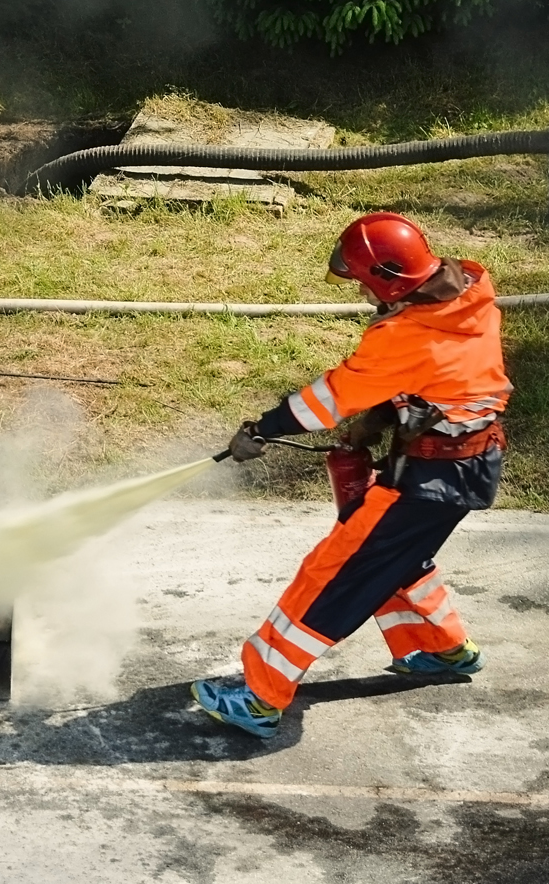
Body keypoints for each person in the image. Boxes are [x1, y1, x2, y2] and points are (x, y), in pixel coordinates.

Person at [193, 212, 512, 739]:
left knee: (333, 575)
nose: (363, 294)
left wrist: (263, 430)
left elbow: (329, 398)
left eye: (364, 283)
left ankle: (259, 697)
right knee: (395, 559)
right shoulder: (466, 300)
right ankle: (441, 649)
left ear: (387, 279)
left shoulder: (404, 334)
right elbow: (445, 375)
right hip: (465, 466)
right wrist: (382, 418)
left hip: (430, 477)